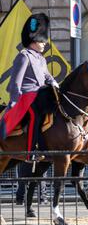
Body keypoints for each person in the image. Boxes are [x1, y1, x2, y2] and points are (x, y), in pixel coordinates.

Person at [1, 13, 59, 161]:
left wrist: (53, 82)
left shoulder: (41, 58)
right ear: (34, 39)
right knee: (35, 114)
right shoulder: (24, 56)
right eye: (42, 40)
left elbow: (46, 75)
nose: (45, 43)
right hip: (26, 96)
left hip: (40, 94)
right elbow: (15, 82)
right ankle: (31, 151)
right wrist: (14, 100)